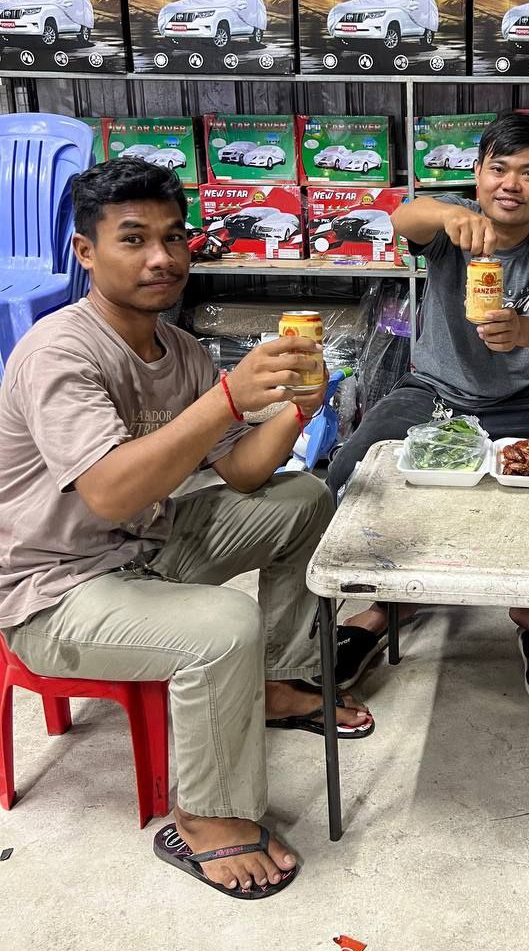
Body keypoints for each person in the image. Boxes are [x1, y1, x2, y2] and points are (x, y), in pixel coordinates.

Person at [0, 158, 373, 901]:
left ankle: (273, 682)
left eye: (173, 237)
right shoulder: (59, 351)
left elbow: (242, 473)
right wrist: (228, 400)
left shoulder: (184, 352)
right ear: (85, 252)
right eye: (133, 239)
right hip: (54, 589)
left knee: (303, 497)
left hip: (148, 547)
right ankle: (204, 818)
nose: (161, 258)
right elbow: (109, 492)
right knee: (224, 625)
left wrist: (298, 406)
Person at [327, 112, 529, 705]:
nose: (511, 184)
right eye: (498, 168)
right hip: (431, 390)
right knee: (349, 470)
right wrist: (447, 215)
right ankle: (383, 607)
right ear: (478, 173)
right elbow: (404, 216)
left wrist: (524, 330)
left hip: (522, 398)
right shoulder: (453, 223)